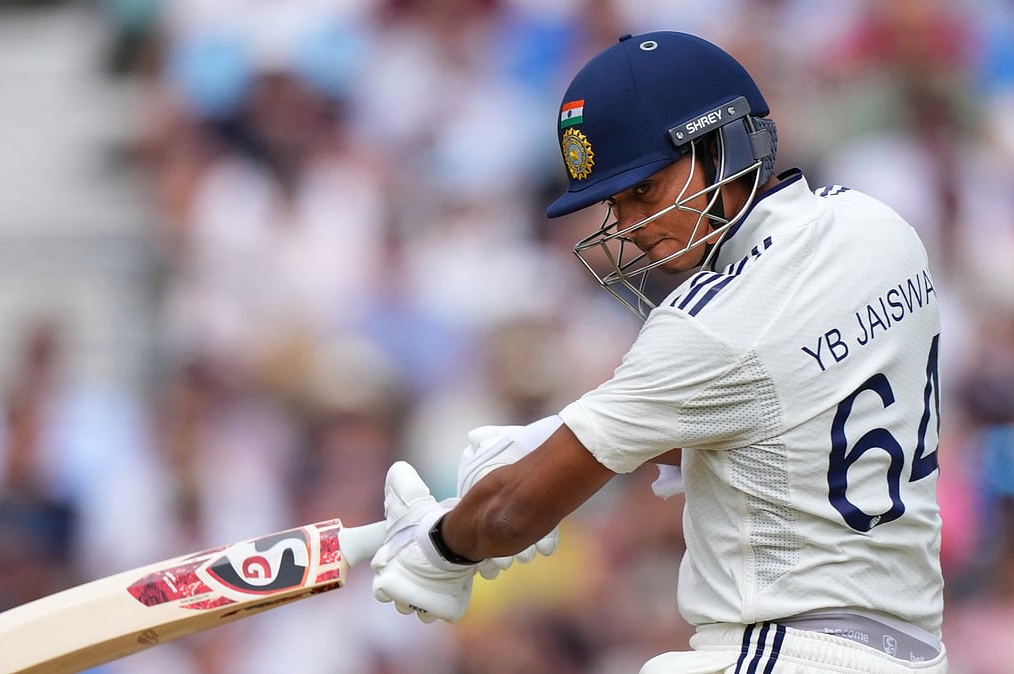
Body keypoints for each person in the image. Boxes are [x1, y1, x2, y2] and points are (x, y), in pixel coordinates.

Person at [369, 30, 949, 673]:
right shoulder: (878, 229)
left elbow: (510, 515)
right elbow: (786, 402)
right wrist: (553, 442)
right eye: (617, 204)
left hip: (784, 651)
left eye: (645, 190)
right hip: (915, 653)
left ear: (725, 144)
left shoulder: (711, 323)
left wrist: (442, 546)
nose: (635, 227)